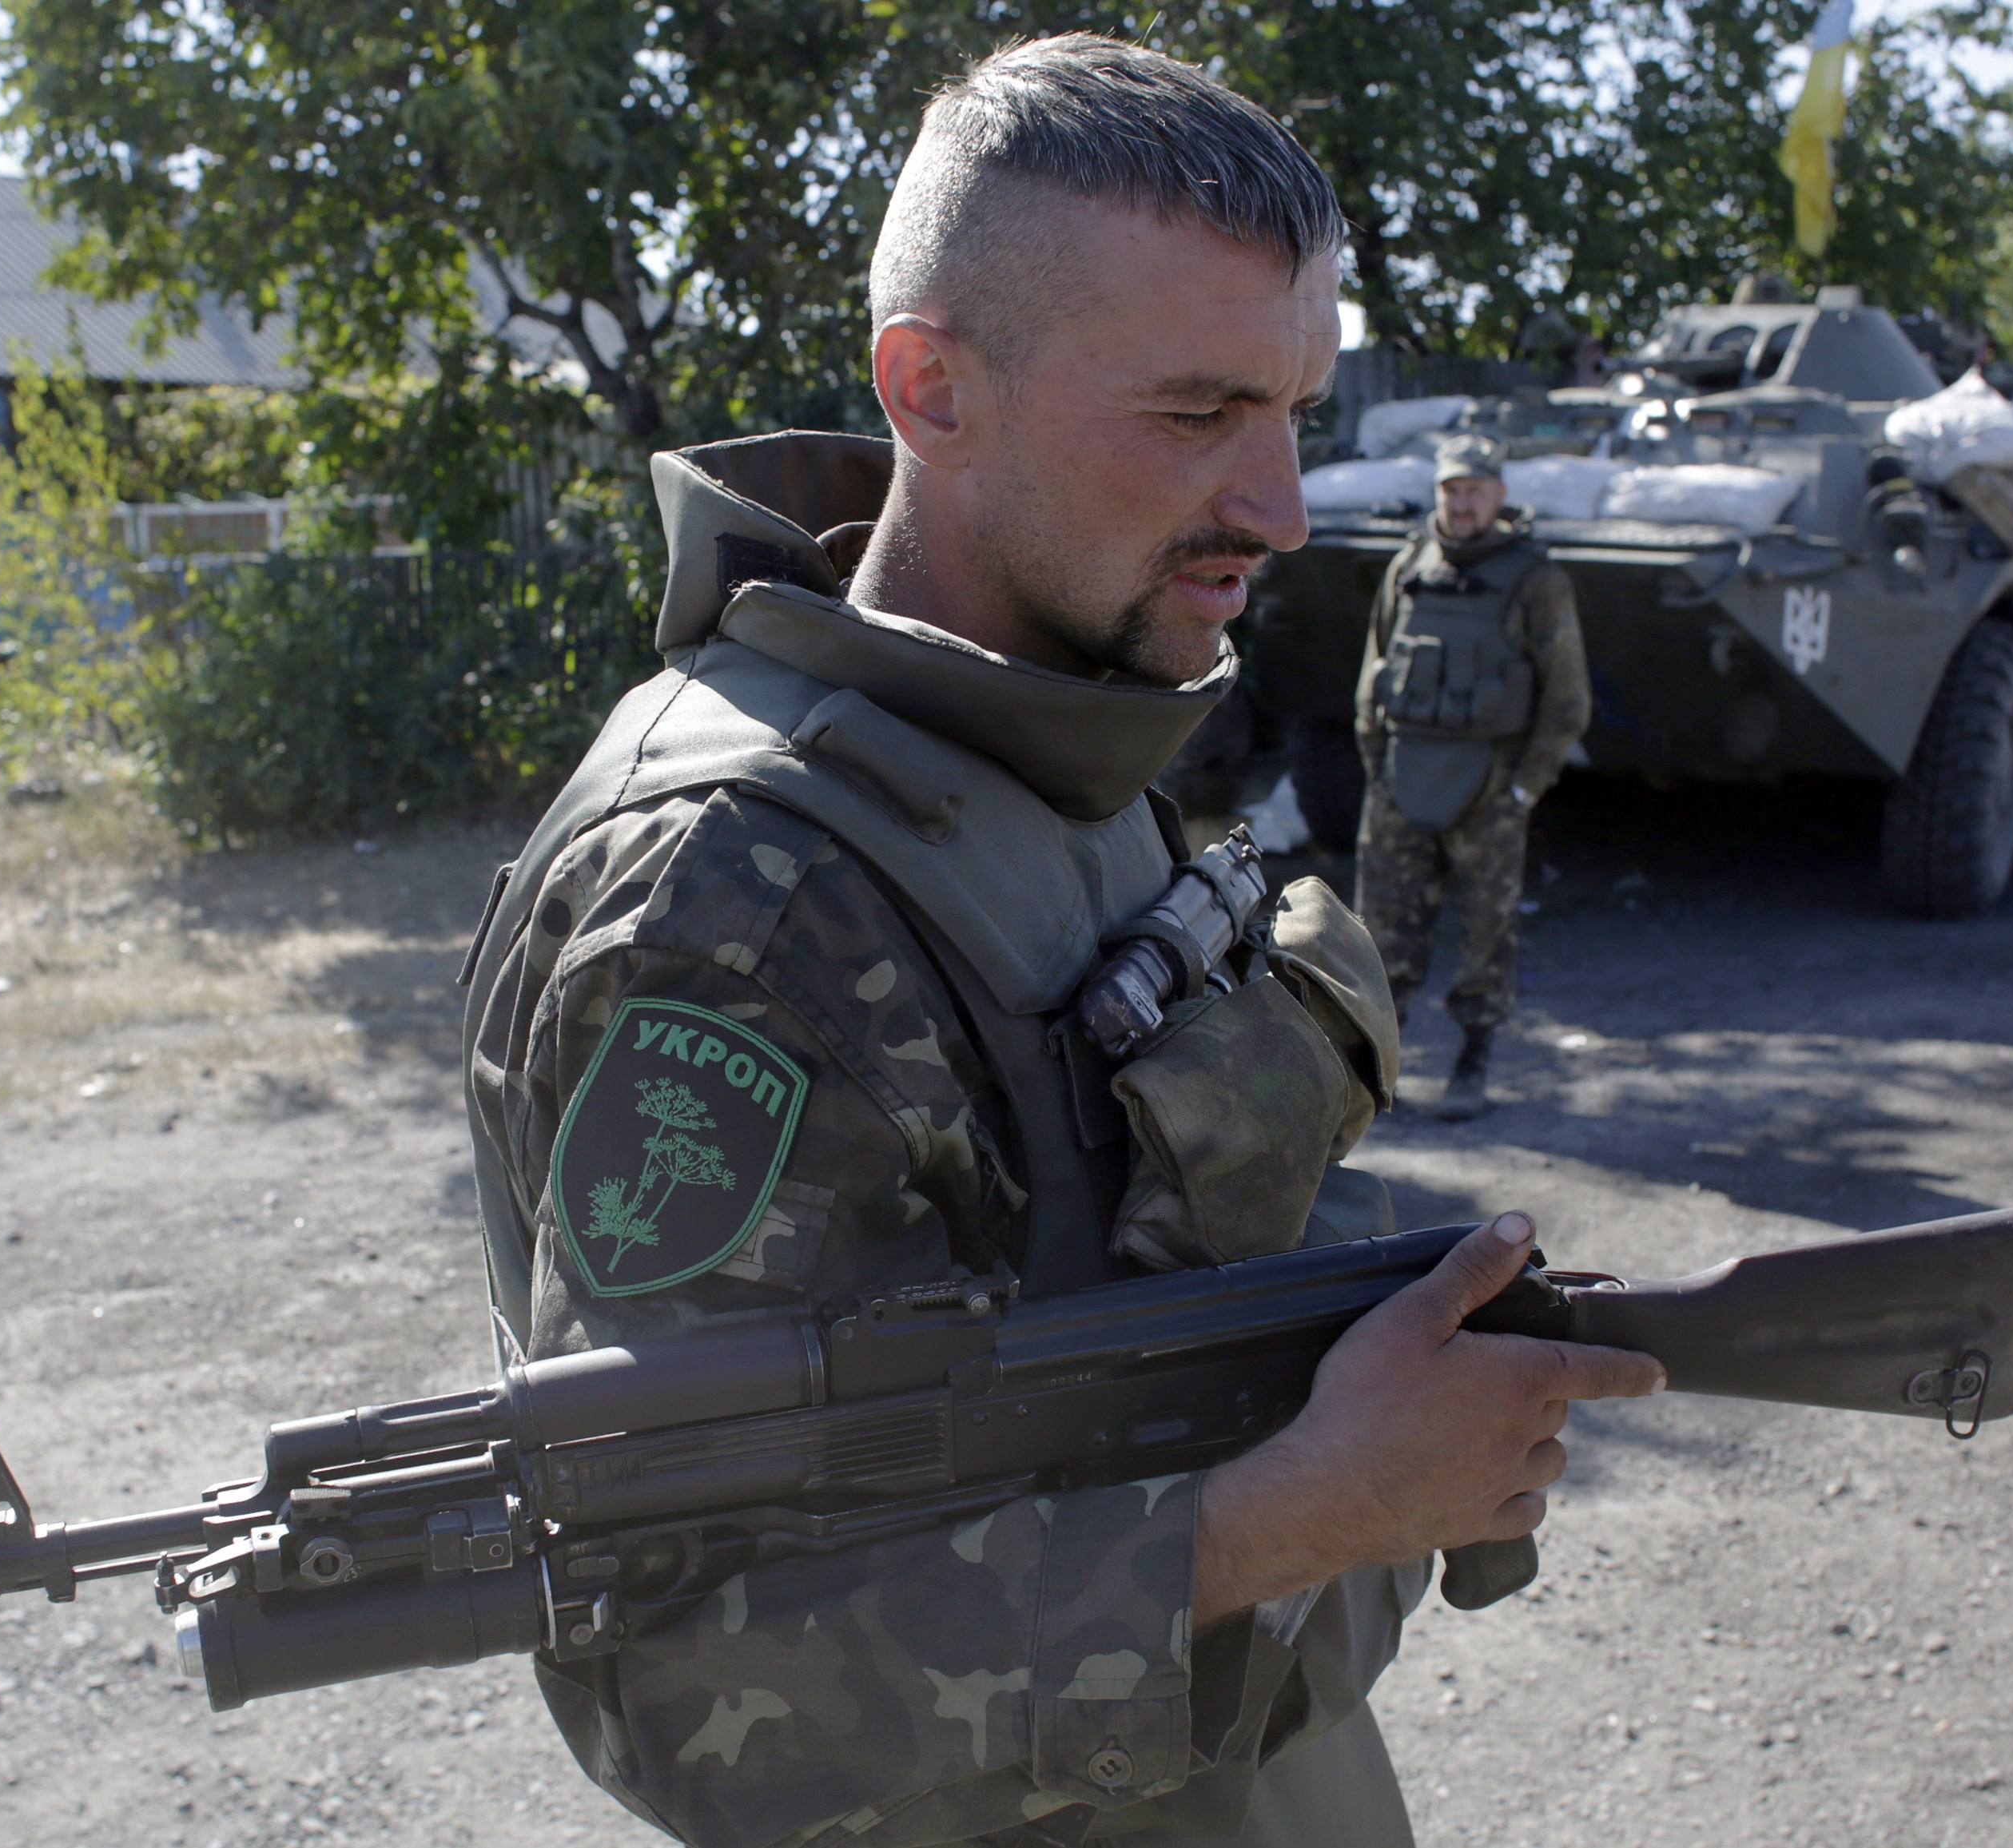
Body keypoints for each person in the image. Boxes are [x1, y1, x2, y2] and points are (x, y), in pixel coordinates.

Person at [461, 36, 1661, 1848]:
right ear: (933, 389)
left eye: (1295, 412)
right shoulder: (738, 893)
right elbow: (683, 1681)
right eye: (1195, 415)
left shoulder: (1048, 713)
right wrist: (1295, 1516)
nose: (1276, 504)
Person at [1351, 434, 1591, 1123]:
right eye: (1451, 489)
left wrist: (1523, 789)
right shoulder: (1409, 567)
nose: (1461, 503)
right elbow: (1374, 672)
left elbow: (1567, 700)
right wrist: (1376, 763)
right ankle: (1369, 1074)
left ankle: (1474, 1055)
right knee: (1380, 937)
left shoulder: (1534, 579)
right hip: (1402, 779)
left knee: (1486, 932)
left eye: (1475, 490)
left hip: (1489, 788)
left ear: (1499, 496)